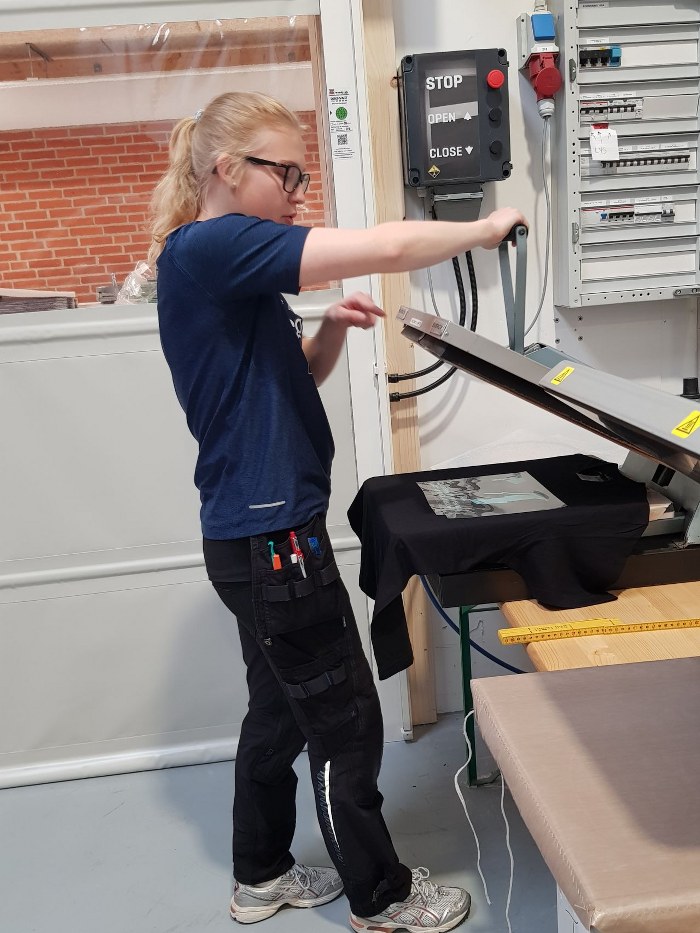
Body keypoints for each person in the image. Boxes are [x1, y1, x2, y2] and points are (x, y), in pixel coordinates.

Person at [149, 90, 527, 933]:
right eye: (285, 173)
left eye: (301, 175)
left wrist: (329, 332)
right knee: (345, 718)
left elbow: (290, 383)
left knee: (280, 708)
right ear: (226, 169)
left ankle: (261, 874)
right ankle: (381, 898)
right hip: (273, 539)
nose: (298, 192)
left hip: (251, 535)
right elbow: (385, 245)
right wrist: (482, 229)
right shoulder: (215, 244)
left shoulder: (216, 264)